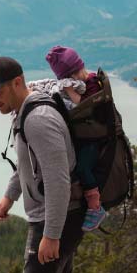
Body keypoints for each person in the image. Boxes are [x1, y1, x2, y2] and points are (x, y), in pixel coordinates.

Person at [0, 56, 84, 273]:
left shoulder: (38, 119)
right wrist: (10, 196)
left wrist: (52, 234)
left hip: (57, 217)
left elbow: (58, 181)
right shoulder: (26, 111)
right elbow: (30, 164)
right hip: (63, 214)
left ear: (17, 82)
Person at [46, 45, 107, 232]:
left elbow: (83, 105)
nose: (75, 78)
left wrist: (69, 89)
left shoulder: (92, 83)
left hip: (93, 139)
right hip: (86, 136)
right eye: (70, 76)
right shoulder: (84, 82)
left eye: (75, 73)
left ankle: (95, 207)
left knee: (83, 168)